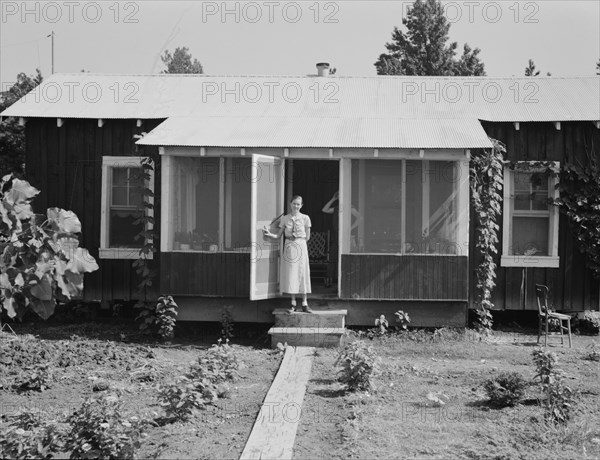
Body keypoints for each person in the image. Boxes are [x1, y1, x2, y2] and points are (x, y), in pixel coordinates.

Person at [263, 195, 313, 313]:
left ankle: (305, 303)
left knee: (303, 273)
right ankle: (293, 303)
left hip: (300, 246)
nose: (296, 206)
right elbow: (278, 235)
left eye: (298, 204)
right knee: (292, 273)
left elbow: (308, 236)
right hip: (289, 247)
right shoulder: (285, 218)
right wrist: (268, 233)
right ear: (290, 204)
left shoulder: (306, 218)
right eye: (294, 203)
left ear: (301, 205)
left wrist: (299, 243)